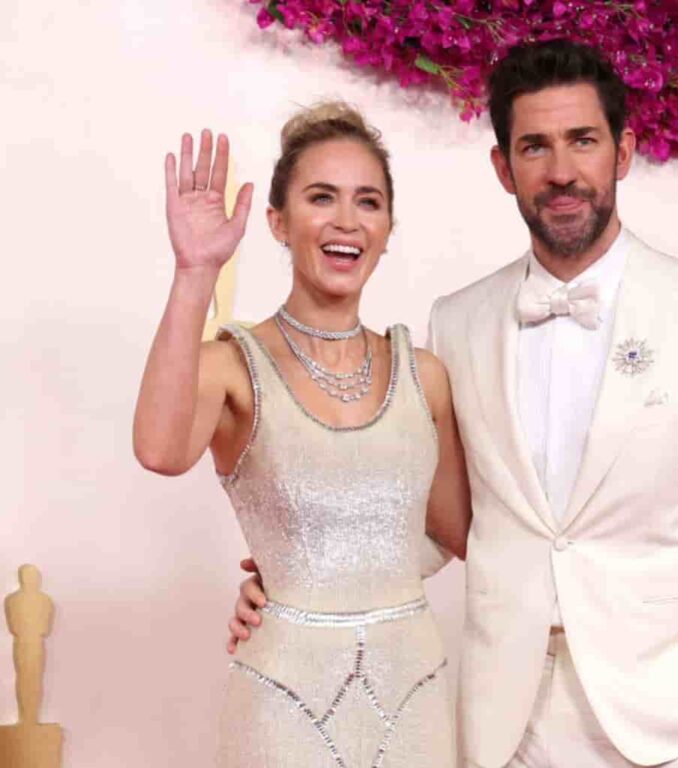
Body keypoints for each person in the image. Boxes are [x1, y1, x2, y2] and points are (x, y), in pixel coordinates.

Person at [232, 40, 678, 768]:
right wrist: (295, 583)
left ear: (623, 152)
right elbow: (453, 522)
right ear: (504, 168)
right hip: (502, 722)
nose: (561, 171)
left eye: (583, 142)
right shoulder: (457, 322)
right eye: (535, 147)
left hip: (668, 718)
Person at [133, 102, 470, 767]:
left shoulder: (424, 376)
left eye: (367, 202)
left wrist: (342, 566)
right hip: (282, 708)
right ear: (279, 223)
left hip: (416, 701)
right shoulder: (233, 366)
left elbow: (462, 533)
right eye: (322, 198)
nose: (347, 221)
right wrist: (195, 273)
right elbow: (160, 450)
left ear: (387, 227)